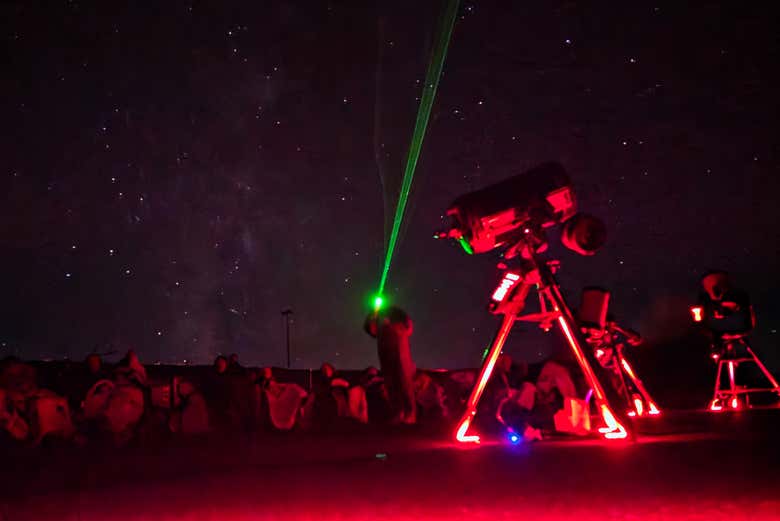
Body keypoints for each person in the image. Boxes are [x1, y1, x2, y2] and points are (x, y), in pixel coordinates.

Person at [364, 306, 417, 425]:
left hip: (399, 347)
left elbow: (408, 326)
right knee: (391, 382)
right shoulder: (376, 317)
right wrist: (373, 318)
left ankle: (409, 414)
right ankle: (399, 413)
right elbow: (370, 329)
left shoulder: (396, 314)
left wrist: (400, 330)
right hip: (386, 351)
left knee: (404, 381)